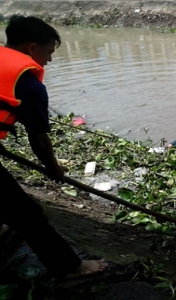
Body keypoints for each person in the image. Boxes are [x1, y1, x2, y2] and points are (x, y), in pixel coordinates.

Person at [0, 15, 107, 279]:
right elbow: (38, 139)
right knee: (28, 215)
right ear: (32, 47)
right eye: (48, 52)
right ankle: (69, 267)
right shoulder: (28, 84)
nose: (49, 60)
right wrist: (54, 169)